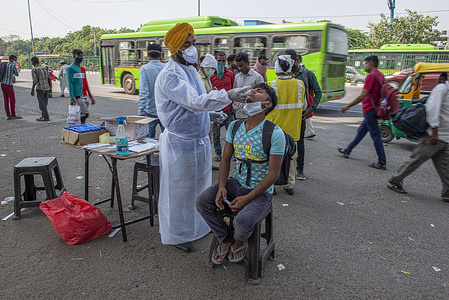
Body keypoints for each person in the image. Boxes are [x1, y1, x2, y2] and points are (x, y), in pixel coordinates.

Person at [154, 22, 250, 253]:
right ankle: (177, 233)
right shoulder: (170, 76)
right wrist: (228, 95)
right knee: (179, 192)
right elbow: (195, 102)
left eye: (193, 43)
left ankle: (198, 226)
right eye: (186, 44)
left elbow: (198, 103)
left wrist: (214, 114)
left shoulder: (190, 72)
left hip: (198, 141)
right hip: (180, 144)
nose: (192, 48)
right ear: (174, 48)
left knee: (199, 189)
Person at [196, 83, 284, 264]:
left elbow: (273, 174)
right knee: (203, 202)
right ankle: (226, 238)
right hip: (236, 184)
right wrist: (221, 187)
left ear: (267, 105)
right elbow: (226, 159)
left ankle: (239, 240)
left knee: (242, 222)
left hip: (260, 192)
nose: (252, 91)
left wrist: (247, 198)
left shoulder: (275, 133)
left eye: (259, 92)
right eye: (253, 89)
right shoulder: (235, 126)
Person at [387, 74, 449, 202]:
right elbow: (432, 109)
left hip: (445, 138)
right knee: (415, 160)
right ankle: (395, 180)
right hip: (433, 136)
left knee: (446, 167)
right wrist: (434, 131)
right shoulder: (442, 89)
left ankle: (447, 192)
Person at [266, 55, 306, 195]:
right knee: (292, 158)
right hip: (293, 129)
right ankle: (289, 185)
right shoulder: (300, 84)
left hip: (274, 129)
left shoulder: (271, 85)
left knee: (272, 158)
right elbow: (304, 106)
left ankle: (272, 185)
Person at [338, 55, 387, 170]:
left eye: (365, 63)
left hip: (370, 110)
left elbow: (362, 96)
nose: (363, 66)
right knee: (361, 132)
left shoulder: (371, 77)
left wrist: (348, 106)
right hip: (374, 110)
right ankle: (348, 150)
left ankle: (382, 161)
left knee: (376, 136)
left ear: (370, 64)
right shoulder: (380, 75)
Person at [285, 49, 322, 180]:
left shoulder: (307, 74)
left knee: (299, 142)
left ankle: (300, 169)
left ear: (297, 60)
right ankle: (285, 171)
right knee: (284, 143)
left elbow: (318, 92)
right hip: (286, 115)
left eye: (290, 60)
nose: (288, 63)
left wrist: (311, 109)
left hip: (300, 115)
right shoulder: (285, 74)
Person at [210, 51, 235, 162]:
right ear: (215, 61)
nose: (221, 63)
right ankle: (218, 153)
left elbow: (233, 91)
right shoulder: (211, 76)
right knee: (216, 134)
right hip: (217, 110)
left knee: (231, 132)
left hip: (228, 109)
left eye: (223, 61)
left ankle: (233, 154)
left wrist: (233, 106)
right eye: (219, 60)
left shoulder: (230, 74)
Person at [138, 43, 165, 138]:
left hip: (150, 111)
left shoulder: (145, 69)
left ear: (148, 55)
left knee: (148, 141)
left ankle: (150, 153)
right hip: (164, 110)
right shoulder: (166, 67)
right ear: (161, 54)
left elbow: (143, 92)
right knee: (168, 139)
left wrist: (141, 110)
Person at [233, 52, 264, 119]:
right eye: (238, 66)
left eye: (241, 66)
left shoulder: (257, 77)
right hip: (239, 114)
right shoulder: (237, 77)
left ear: (248, 63)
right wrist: (234, 107)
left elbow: (261, 96)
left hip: (252, 114)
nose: (239, 68)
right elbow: (235, 93)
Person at [67, 49, 93, 124]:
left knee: (82, 114)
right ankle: (80, 125)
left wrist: (90, 96)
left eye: (81, 56)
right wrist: (72, 98)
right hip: (78, 95)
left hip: (84, 94)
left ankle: (81, 127)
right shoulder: (70, 68)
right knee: (85, 113)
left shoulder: (82, 69)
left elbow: (85, 82)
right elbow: (70, 83)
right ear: (74, 56)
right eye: (78, 56)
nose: (80, 58)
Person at [30, 57, 51, 122]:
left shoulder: (34, 69)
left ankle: (46, 117)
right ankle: (43, 116)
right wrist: (49, 87)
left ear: (33, 62)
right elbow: (49, 78)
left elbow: (35, 80)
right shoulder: (45, 68)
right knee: (45, 102)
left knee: (41, 103)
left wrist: (32, 89)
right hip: (46, 87)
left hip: (40, 88)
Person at [1, 55, 21, 120]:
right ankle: (13, 114)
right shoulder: (12, 65)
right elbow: (17, 74)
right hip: (9, 84)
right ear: (12, 60)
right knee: (12, 100)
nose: (16, 61)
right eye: (15, 60)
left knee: (6, 100)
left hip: (3, 83)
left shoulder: (5, 65)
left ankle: (8, 115)